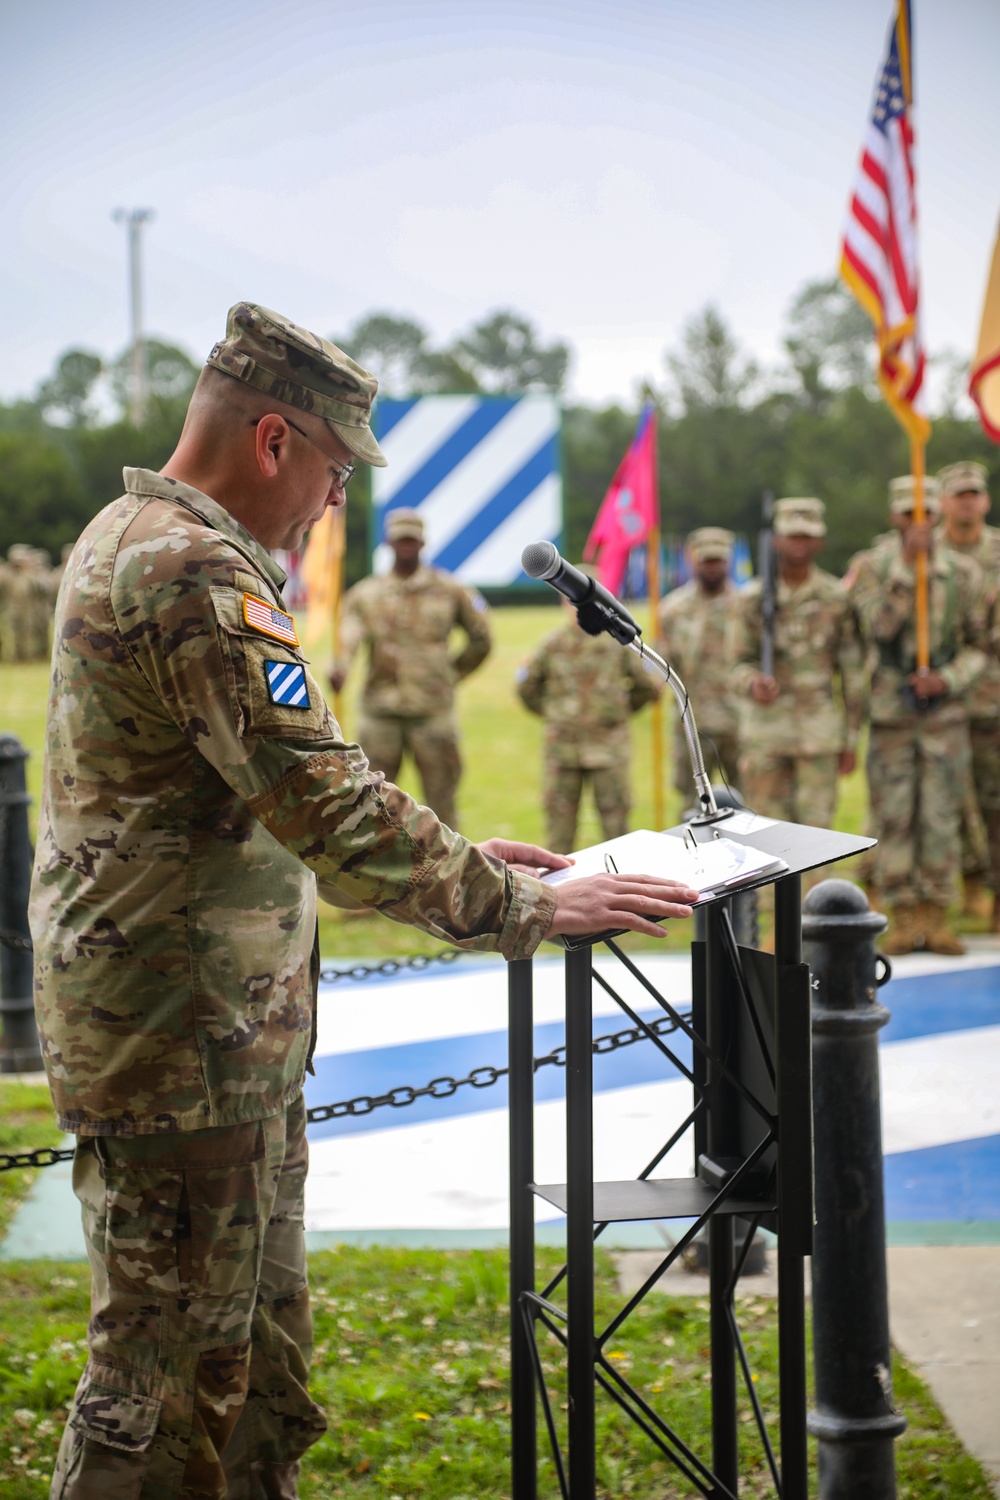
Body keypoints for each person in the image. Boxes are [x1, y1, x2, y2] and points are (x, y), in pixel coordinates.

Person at [29, 300, 699, 1499]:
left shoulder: (145, 534)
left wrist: (460, 851)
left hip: (209, 1028)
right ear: (276, 440)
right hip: (182, 1043)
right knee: (166, 1391)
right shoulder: (189, 564)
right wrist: (519, 906)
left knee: (245, 1376)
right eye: (336, 470)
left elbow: (272, 790)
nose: (338, 502)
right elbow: (325, 808)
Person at [850, 475, 990, 955]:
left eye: (926, 514)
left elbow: (981, 647)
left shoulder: (965, 574)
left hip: (944, 713)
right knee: (895, 815)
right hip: (892, 709)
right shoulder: (873, 567)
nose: (918, 524)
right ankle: (902, 912)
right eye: (908, 515)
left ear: (938, 515)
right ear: (894, 517)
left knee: (940, 814)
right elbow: (876, 628)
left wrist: (948, 679)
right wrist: (907, 571)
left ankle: (938, 912)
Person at [327, 508, 490, 831]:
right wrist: (341, 666)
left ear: (422, 543)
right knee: (370, 804)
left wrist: (450, 674)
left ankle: (454, 876)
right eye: (400, 539)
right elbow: (349, 635)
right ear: (388, 542)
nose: (406, 546)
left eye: (412, 540)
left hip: (432, 713)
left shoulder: (450, 590)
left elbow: (481, 639)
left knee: (442, 802)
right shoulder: (367, 593)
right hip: (381, 713)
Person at [728, 497, 866, 833]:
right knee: (765, 835)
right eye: (792, 536)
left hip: (819, 735)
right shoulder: (751, 599)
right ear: (776, 540)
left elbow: (852, 673)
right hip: (766, 733)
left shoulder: (837, 598)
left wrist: (850, 740)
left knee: (817, 834)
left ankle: (813, 889)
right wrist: (752, 682)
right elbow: (734, 664)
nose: (799, 544)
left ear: (819, 541)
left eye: (807, 536)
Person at [515, 582, 660, 851]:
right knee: (560, 834)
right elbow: (527, 688)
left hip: (609, 750)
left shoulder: (619, 643)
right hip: (563, 751)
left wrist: (617, 713)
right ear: (562, 603)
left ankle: (623, 887)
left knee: (618, 832)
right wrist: (554, 714)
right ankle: (560, 890)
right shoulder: (552, 644)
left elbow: (647, 687)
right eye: (571, 602)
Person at [935, 460, 1000, 928]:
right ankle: (959, 885)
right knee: (946, 802)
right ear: (943, 502)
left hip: (993, 701)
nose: (968, 500)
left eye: (974, 492)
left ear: (986, 500)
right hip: (940, 704)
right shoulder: (926, 554)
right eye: (959, 493)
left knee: (995, 800)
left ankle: (994, 893)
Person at [656, 526, 740, 795]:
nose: (712, 568)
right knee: (692, 805)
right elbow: (662, 665)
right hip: (692, 723)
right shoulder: (673, 609)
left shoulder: (747, 605)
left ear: (728, 561)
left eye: (718, 561)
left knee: (751, 805)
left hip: (740, 721)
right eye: (706, 561)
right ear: (693, 560)